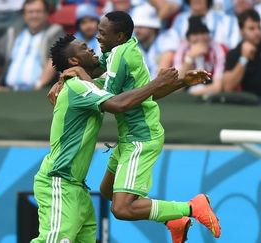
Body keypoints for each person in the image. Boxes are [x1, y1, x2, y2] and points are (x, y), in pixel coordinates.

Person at [32, 35, 182, 243]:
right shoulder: (77, 86)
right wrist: (157, 82)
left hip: (77, 188)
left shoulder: (88, 84)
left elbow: (135, 95)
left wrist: (181, 82)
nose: (92, 49)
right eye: (84, 47)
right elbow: (119, 104)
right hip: (59, 181)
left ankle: (176, 216)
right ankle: (185, 210)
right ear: (74, 61)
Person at [95, 11, 221, 243]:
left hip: (140, 137)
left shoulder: (121, 54)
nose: (97, 37)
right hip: (128, 136)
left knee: (121, 209)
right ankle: (173, 219)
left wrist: (74, 80)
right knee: (106, 192)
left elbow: (113, 104)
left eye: (103, 33)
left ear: (120, 36)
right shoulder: (122, 48)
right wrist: (181, 82)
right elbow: (147, 94)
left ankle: (192, 207)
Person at [0, 0, 64, 90]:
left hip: (40, 91)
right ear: (24, 15)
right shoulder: (13, 33)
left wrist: (39, 84)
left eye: (38, 12)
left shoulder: (55, 32)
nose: (34, 16)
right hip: (8, 91)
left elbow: (54, 58)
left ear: (46, 13)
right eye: (30, 12)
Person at [174, 16, 227, 96]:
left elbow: (217, 87)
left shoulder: (216, 49)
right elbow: (176, 88)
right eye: (195, 33)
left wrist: (193, 93)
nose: (200, 37)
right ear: (188, 38)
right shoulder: (182, 49)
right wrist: (190, 58)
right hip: (187, 93)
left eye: (203, 33)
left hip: (209, 95)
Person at [132, 3, 178, 79]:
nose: (137, 30)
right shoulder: (132, 43)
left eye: (142, 26)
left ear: (153, 27)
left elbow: (161, 76)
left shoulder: (167, 38)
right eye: (136, 26)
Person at [170, 0, 241, 49]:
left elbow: (234, 50)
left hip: (220, 67)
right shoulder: (180, 20)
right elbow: (171, 48)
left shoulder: (229, 21)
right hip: (186, 68)